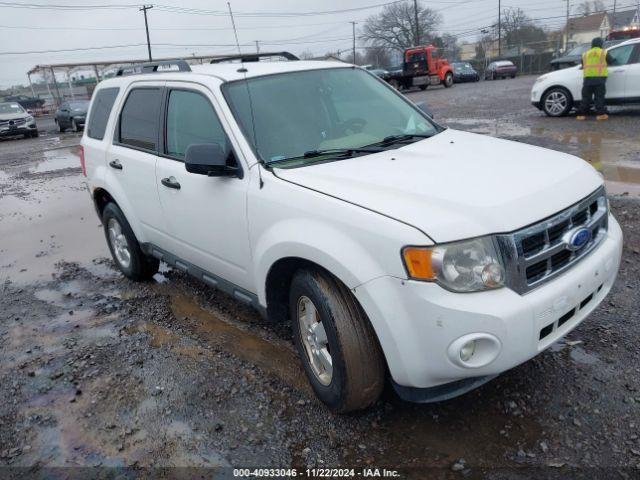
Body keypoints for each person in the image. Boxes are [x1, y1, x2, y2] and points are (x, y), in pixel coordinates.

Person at [577, 37, 611, 121]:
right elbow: (612, 61)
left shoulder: (585, 54)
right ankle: (600, 115)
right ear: (600, 44)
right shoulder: (603, 52)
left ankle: (581, 115)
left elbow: (582, 64)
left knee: (586, 98)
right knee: (599, 97)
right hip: (599, 79)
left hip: (587, 80)